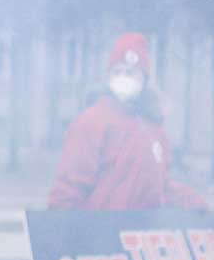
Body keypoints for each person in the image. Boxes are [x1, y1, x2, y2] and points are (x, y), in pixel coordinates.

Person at [49, 31, 205, 212]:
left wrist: (193, 203)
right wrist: (62, 228)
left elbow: (160, 187)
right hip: (99, 233)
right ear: (108, 77)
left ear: (144, 80)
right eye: (118, 72)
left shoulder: (154, 130)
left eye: (130, 73)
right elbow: (68, 188)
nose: (123, 78)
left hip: (137, 233)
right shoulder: (91, 123)